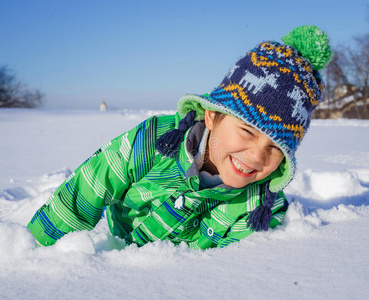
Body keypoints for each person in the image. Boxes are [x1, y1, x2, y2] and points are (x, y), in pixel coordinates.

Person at [27, 25, 332, 249]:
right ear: (212, 115)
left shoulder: (259, 207)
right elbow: (92, 185)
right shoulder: (154, 141)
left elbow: (234, 271)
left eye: (274, 147)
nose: (256, 155)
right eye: (247, 131)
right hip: (120, 238)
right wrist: (42, 248)